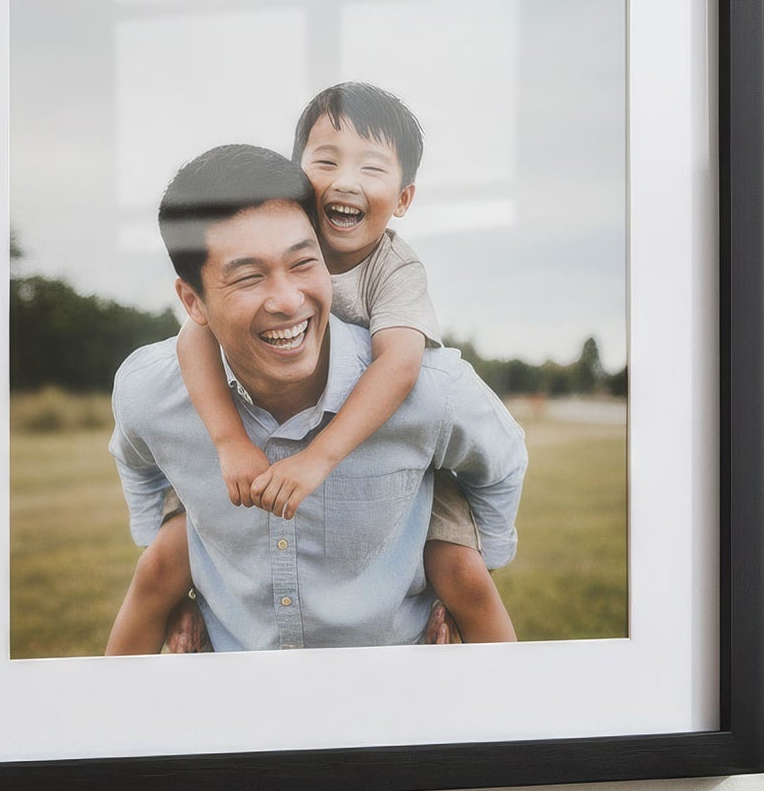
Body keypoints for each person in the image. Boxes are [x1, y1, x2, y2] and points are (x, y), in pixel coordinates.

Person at [105, 83, 518, 655]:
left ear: (403, 197)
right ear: (193, 298)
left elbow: (405, 372)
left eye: (305, 265)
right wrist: (224, 444)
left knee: (464, 574)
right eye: (250, 277)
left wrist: (483, 565)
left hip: (381, 430)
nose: (287, 298)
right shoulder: (154, 388)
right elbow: (186, 353)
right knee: (159, 566)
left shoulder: (404, 298)